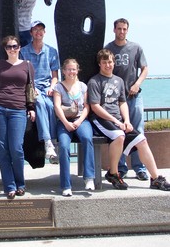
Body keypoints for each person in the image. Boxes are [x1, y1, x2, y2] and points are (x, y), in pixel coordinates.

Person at [87, 48, 170, 191]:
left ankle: (155, 178)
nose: (108, 65)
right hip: (100, 119)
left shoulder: (118, 81)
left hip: (118, 120)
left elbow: (122, 102)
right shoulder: (94, 81)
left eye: (110, 62)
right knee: (119, 135)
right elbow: (95, 107)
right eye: (105, 62)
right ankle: (113, 173)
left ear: (114, 63)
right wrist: (116, 121)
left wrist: (126, 120)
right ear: (99, 64)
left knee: (142, 140)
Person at [0, 35, 36, 199]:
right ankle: (9, 186)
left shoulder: (27, 65)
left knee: (16, 148)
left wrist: (31, 107)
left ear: (19, 48)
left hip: (18, 110)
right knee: (3, 150)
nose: (12, 49)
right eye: (9, 47)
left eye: (15, 46)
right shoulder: (0, 65)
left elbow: (30, 87)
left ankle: (20, 183)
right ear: (5, 49)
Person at [105, 18, 149, 181]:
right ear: (114, 30)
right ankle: (121, 167)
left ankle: (140, 168)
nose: (121, 32)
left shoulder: (135, 48)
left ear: (127, 30)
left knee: (138, 131)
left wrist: (137, 84)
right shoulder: (108, 49)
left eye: (124, 29)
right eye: (119, 29)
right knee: (119, 133)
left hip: (134, 96)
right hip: (115, 100)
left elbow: (145, 68)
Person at [53, 59, 95, 196]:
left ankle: (89, 177)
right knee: (64, 146)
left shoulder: (83, 86)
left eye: (74, 69)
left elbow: (87, 106)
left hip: (81, 120)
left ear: (77, 70)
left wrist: (79, 121)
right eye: (68, 69)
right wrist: (66, 123)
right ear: (64, 71)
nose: (71, 72)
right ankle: (66, 185)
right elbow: (57, 106)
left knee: (87, 138)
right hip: (64, 122)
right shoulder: (58, 87)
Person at [20, 20, 59, 162]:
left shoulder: (51, 51)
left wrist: (52, 87)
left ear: (44, 32)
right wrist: (32, 87)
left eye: (41, 29)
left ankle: (54, 141)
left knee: (51, 106)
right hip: (32, 87)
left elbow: (55, 76)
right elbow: (23, 74)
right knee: (41, 104)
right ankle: (48, 141)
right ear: (31, 33)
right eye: (35, 29)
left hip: (47, 87)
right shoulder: (23, 52)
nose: (38, 32)